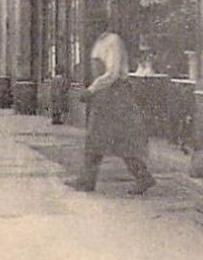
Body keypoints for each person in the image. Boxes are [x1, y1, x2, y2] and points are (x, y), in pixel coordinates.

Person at [66, 32, 157, 195]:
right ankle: (87, 180)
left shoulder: (113, 41)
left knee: (121, 139)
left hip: (115, 95)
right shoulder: (99, 41)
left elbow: (112, 73)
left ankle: (143, 177)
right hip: (104, 95)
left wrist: (91, 90)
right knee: (95, 137)